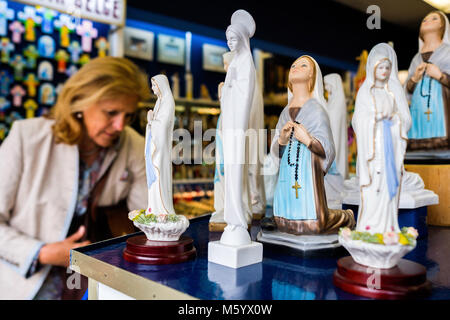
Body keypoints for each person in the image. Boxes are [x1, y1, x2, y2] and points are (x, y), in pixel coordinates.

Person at [0, 56, 151, 300]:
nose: (120, 125)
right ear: (80, 101)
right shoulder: (26, 137)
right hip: (29, 284)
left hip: (99, 282)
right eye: (111, 112)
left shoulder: (135, 145)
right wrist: (43, 252)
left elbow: (149, 218)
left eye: (129, 115)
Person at [270, 55, 354, 235]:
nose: (295, 67)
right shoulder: (285, 112)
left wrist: (307, 139)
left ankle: (347, 217)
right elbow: (276, 151)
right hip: (288, 171)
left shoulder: (316, 109)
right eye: (293, 65)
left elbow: (329, 149)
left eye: (303, 65)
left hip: (307, 172)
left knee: (314, 223)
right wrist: (282, 140)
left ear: (312, 76)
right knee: (283, 221)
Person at [353, 43, 411, 234]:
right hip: (372, 150)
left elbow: (405, 120)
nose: (384, 71)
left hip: (390, 147)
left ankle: (387, 226)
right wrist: (374, 119)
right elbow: (357, 121)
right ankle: (368, 226)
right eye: (380, 67)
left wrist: (394, 120)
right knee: (372, 186)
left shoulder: (393, 92)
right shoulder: (365, 92)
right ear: (372, 68)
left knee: (387, 187)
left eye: (387, 67)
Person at [405, 10, 450, 150]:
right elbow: (406, 90)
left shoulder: (448, 52)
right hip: (418, 108)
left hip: (442, 108)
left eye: (434, 18)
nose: (427, 21)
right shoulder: (416, 59)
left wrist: (441, 76)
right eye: (424, 20)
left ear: (443, 27)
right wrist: (413, 79)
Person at [145, 74, 176, 215]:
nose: (152, 88)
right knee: (155, 179)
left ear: (161, 85)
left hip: (161, 149)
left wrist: (151, 121)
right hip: (156, 145)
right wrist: (151, 122)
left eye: (154, 85)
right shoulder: (159, 101)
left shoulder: (168, 101)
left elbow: (162, 125)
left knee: (159, 175)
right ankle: (154, 208)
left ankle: (162, 209)